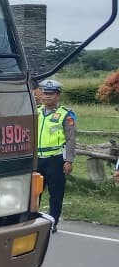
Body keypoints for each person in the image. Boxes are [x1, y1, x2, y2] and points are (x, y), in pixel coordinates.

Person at [35, 79, 76, 233]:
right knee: (34, 193)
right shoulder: (36, 112)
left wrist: (69, 160)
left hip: (55, 159)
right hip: (37, 159)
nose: (47, 96)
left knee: (56, 193)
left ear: (58, 95)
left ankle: (52, 222)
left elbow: (71, 138)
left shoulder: (65, 114)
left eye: (51, 94)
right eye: (45, 93)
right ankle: (32, 221)